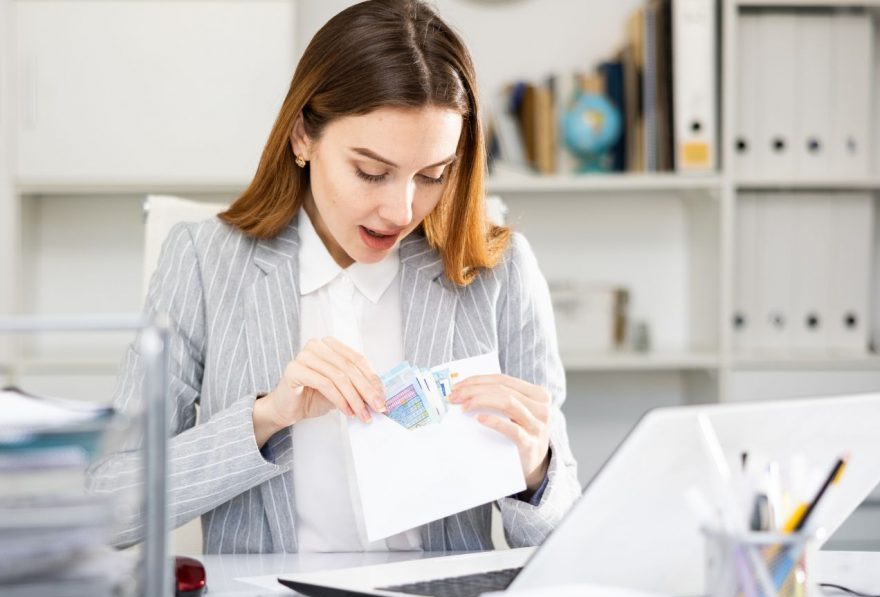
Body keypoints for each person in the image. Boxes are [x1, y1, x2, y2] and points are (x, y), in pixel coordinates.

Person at [87, 0, 581, 552]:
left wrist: (535, 471)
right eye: (371, 172)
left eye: (432, 175)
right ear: (303, 136)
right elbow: (106, 510)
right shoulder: (203, 263)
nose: (401, 210)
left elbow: (565, 541)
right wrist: (266, 418)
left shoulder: (501, 273)